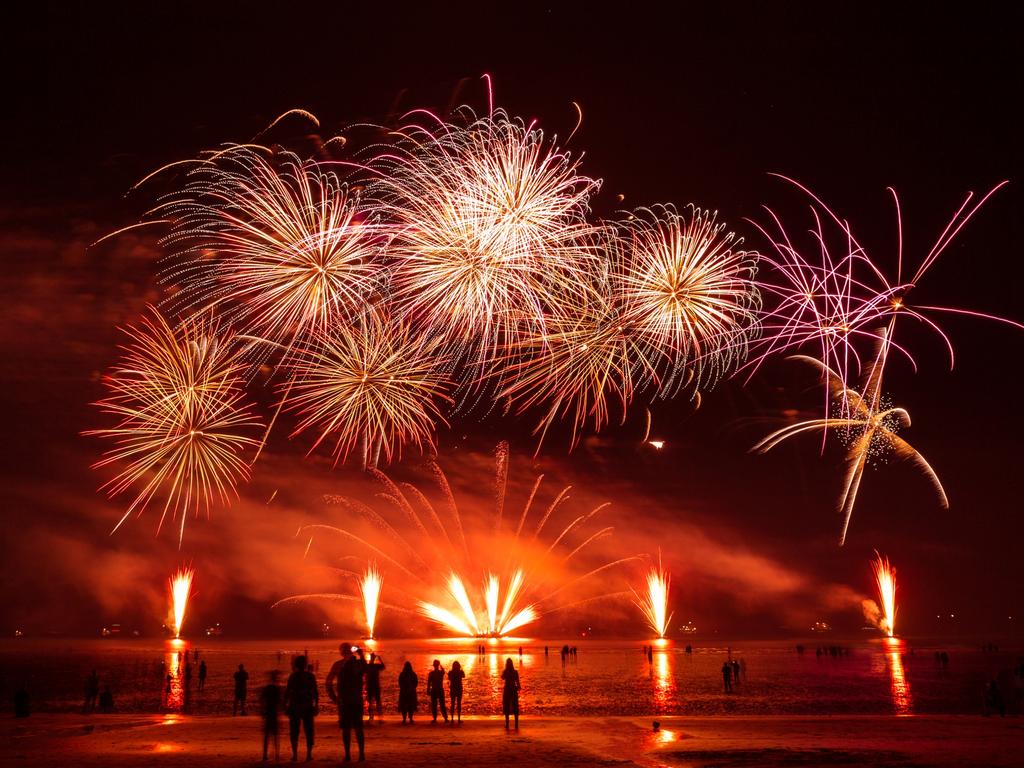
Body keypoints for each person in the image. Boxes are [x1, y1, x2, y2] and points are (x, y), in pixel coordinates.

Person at [326, 643, 366, 762]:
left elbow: (328, 683)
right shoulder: (358, 664)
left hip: (344, 701)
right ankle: (361, 754)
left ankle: (348, 754)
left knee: (346, 728)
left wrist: (334, 698)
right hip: (356, 700)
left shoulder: (338, 665)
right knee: (358, 728)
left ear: (341, 652)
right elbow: (367, 669)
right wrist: (361, 654)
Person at [285, 655, 318, 762]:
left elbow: (287, 692)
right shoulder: (310, 676)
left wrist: (285, 704)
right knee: (309, 731)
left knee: (294, 731)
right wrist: (316, 705)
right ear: (305, 664)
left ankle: (295, 755)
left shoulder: (293, 676)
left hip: (295, 706)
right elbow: (315, 692)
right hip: (307, 706)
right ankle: (308, 755)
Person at [260, 670, 283, 762]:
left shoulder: (267, 688)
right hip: (274, 712)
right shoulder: (277, 689)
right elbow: (280, 701)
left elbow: (262, 700)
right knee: (275, 735)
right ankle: (276, 754)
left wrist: (262, 711)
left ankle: (265, 755)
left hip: (268, 712)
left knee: (267, 735)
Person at [501, 658, 520, 730]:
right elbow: (517, 682)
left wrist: (505, 671)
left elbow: (502, 677)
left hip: (507, 689)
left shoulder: (506, 671)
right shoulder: (515, 672)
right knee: (515, 706)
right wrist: (518, 687)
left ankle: (507, 724)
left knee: (506, 706)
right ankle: (516, 724)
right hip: (513, 689)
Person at [365, 653, 385, 721]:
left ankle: (372, 715)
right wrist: (380, 659)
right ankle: (378, 714)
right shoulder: (375, 666)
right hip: (375, 686)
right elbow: (383, 666)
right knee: (377, 701)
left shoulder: (368, 666)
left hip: (371, 686)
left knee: (371, 701)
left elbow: (383, 666)